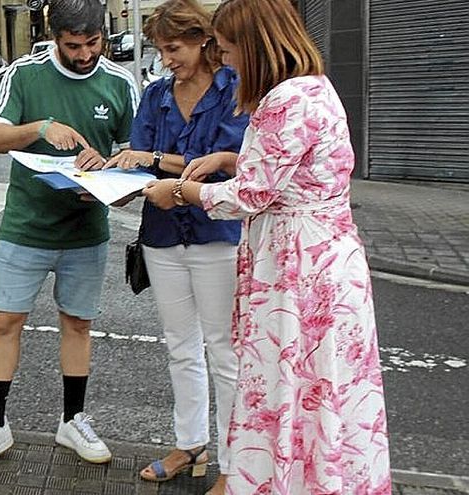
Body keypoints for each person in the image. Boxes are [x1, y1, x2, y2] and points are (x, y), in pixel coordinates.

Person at [142, 0, 392, 493]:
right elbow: (290, 172)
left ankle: (279, 481)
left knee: (286, 381)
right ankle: (323, 479)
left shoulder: (283, 99)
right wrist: (231, 158)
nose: (226, 59)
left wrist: (180, 192)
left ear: (256, 45)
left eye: (230, 48)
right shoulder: (315, 88)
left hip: (298, 264)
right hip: (327, 255)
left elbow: (253, 195)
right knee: (324, 388)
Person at [0, 0, 140, 476]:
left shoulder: (120, 83)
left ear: (103, 35)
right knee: (6, 322)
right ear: (55, 36)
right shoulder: (24, 74)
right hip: (26, 226)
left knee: (78, 324)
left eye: (93, 44)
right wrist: (40, 127)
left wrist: (112, 185)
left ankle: (72, 419)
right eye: (73, 45)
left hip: (87, 228)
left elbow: (134, 159)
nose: (84, 55)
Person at [105, 1, 248, 491]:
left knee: (225, 353)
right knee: (180, 348)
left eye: (174, 48)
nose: (166, 59)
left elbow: (231, 168)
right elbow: (140, 162)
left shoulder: (235, 91)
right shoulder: (156, 96)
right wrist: (107, 181)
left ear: (203, 41)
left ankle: (234, 465)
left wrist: (156, 158)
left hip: (216, 234)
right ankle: (191, 445)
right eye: (161, 50)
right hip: (162, 236)